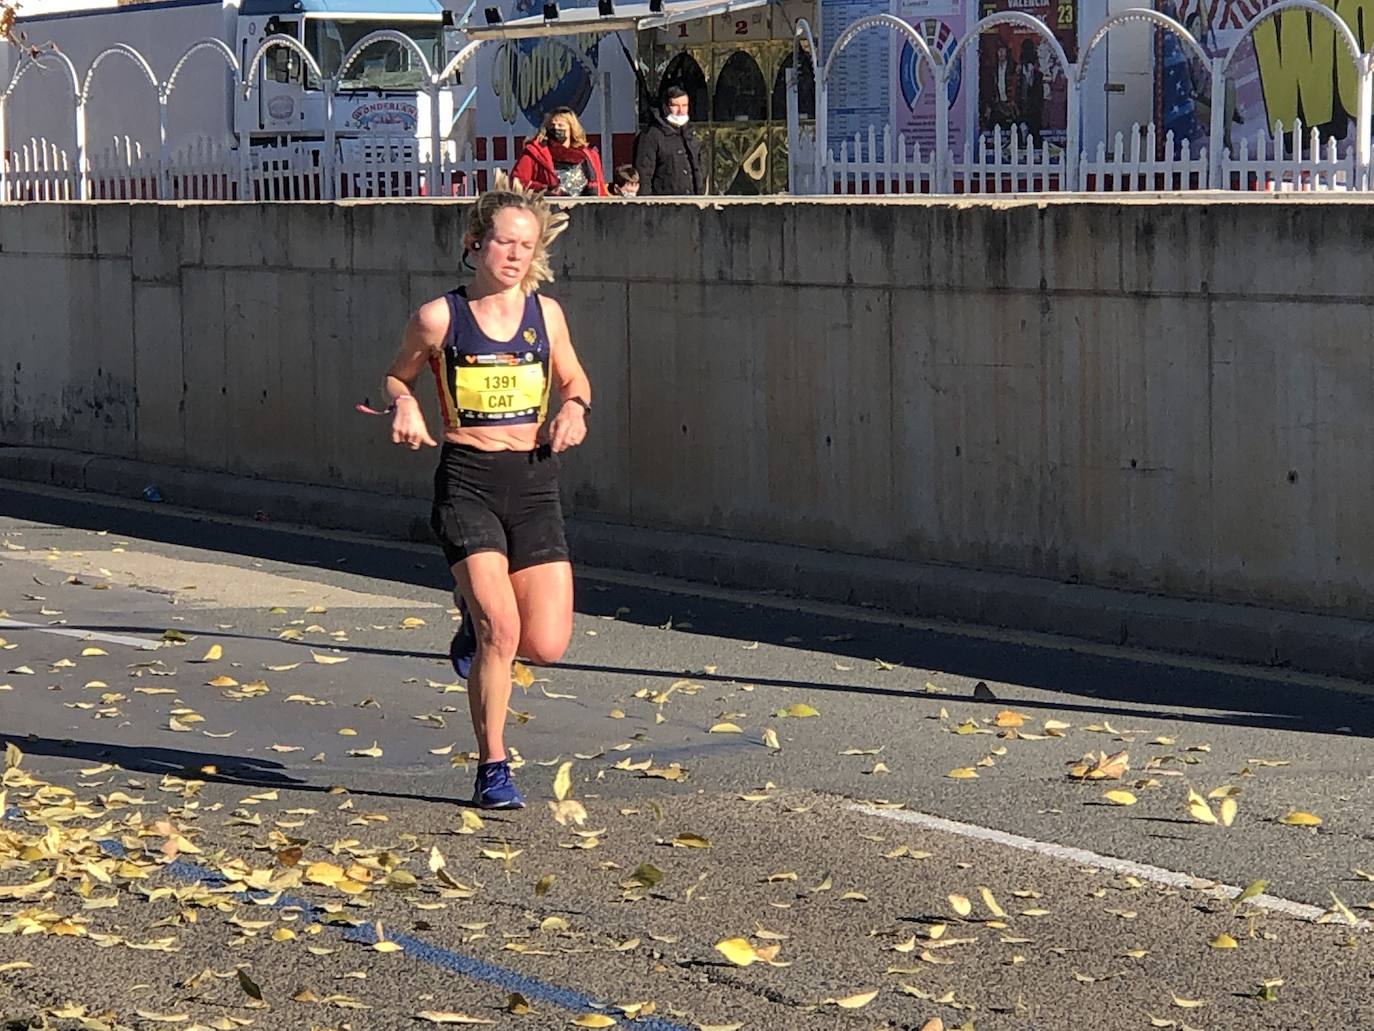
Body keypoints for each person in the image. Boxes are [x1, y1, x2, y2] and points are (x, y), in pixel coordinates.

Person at [382, 174, 592, 810]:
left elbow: (576, 380)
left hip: (533, 481)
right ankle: (493, 767)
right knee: (503, 627)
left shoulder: (545, 316)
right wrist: (405, 408)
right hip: (468, 483)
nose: (515, 256)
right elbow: (396, 377)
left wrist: (575, 409)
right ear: (475, 244)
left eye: (526, 247)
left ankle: (470, 625)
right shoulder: (439, 318)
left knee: (545, 645)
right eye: (504, 243)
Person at [511, 107, 607, 196]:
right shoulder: (535, 152)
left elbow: (599, 188)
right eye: (552, 125)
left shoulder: (590, 156)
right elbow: (517, 182)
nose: (556, 128)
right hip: (548, 210)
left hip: (584, 209)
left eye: (560, 125)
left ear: (571, 128)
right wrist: (545, 189)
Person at [633, 86, 703, 196]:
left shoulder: (690, 134)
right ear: (665, 107)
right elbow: (644, 175)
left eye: (684, 105)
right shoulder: (651, 135)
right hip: (664, 207)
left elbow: (697, 170)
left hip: (692, 204)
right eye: (675, 106)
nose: (681, 111)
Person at [980, 39, 1017, 137]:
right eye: (999, 51)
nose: (1001, 53)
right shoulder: (994, 69)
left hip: (1011, 105)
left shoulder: (1013, 67)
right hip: (998, 105)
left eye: (1003, 50)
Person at [1014, 38, 1044, 148]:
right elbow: (1016, 94)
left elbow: (1039, 98)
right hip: (1020, 114)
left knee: (1035, 141)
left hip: (1034, 115)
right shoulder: (1018, 76)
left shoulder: (1037, 76)